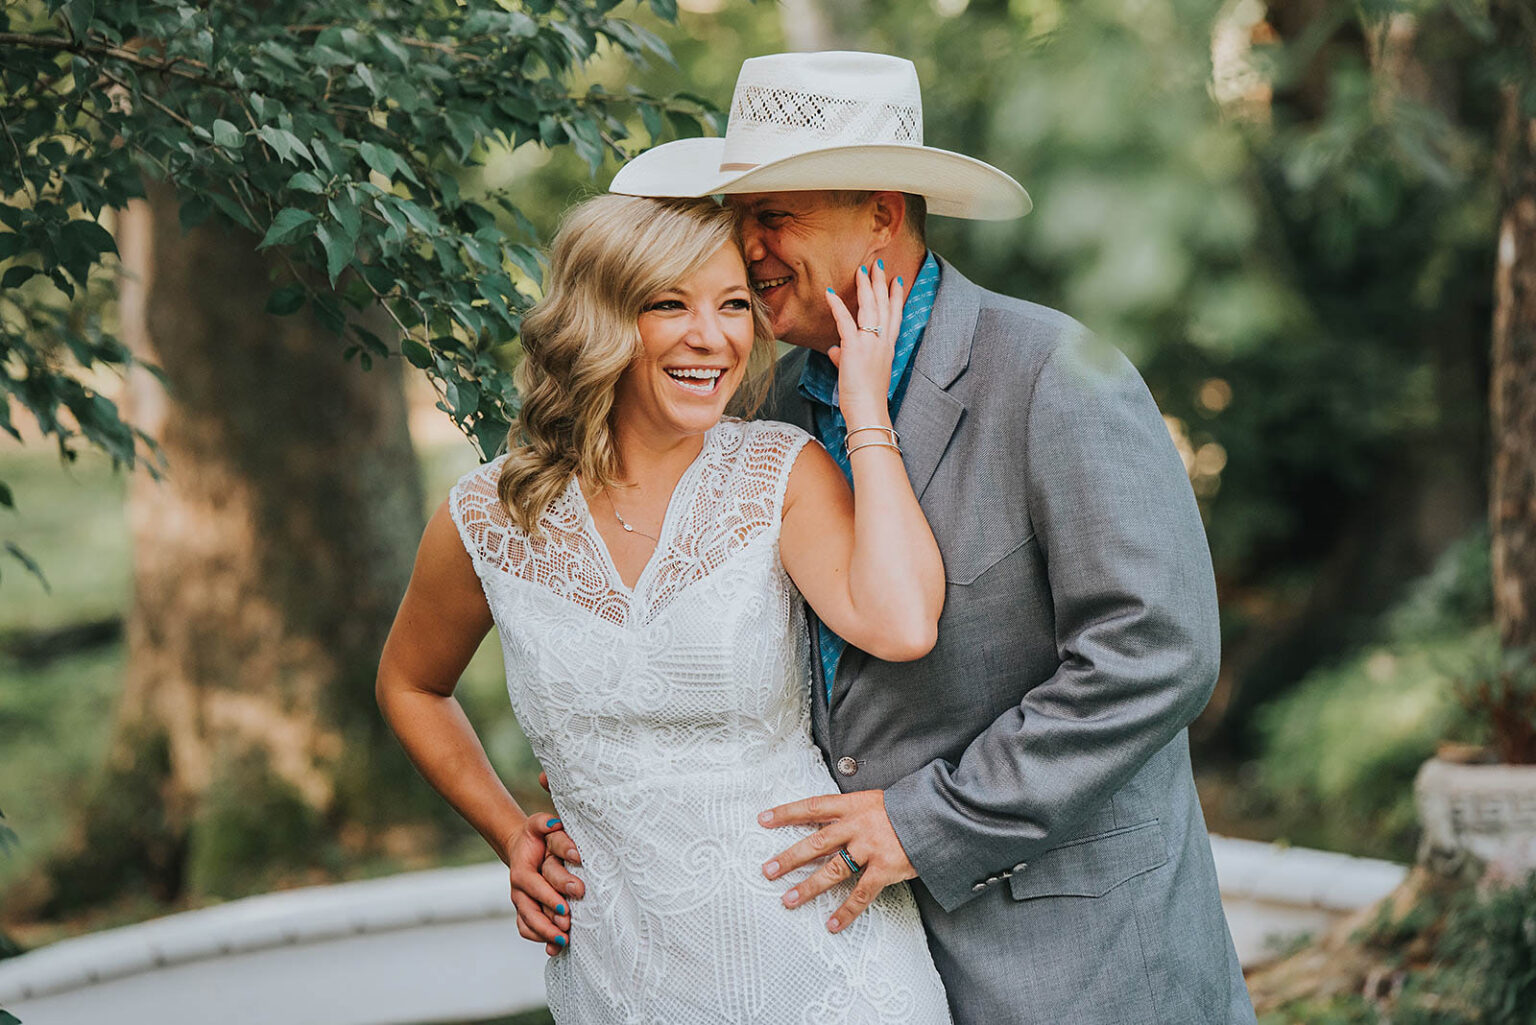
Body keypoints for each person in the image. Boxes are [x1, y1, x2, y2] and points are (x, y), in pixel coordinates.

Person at [537, 51, 1259, 1024]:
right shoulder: (771, 408)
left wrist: (930, 821)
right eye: (740, 216)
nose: (745, 247)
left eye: (774, 213)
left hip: (1084, 962)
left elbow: (1157, 652)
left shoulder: (1054, 374)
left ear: (882, 211)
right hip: (858, 963)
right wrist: (579, 810)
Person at [375, 193, 955, 1023]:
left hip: (830, 970)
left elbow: (902, 623)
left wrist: (863, 408)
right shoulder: (485, 518)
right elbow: (410, 685)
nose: (712, 337)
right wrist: (510, 832)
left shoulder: (776, 473)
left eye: (730, 305)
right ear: (600, 322)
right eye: (668, 304)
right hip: (621, 977)